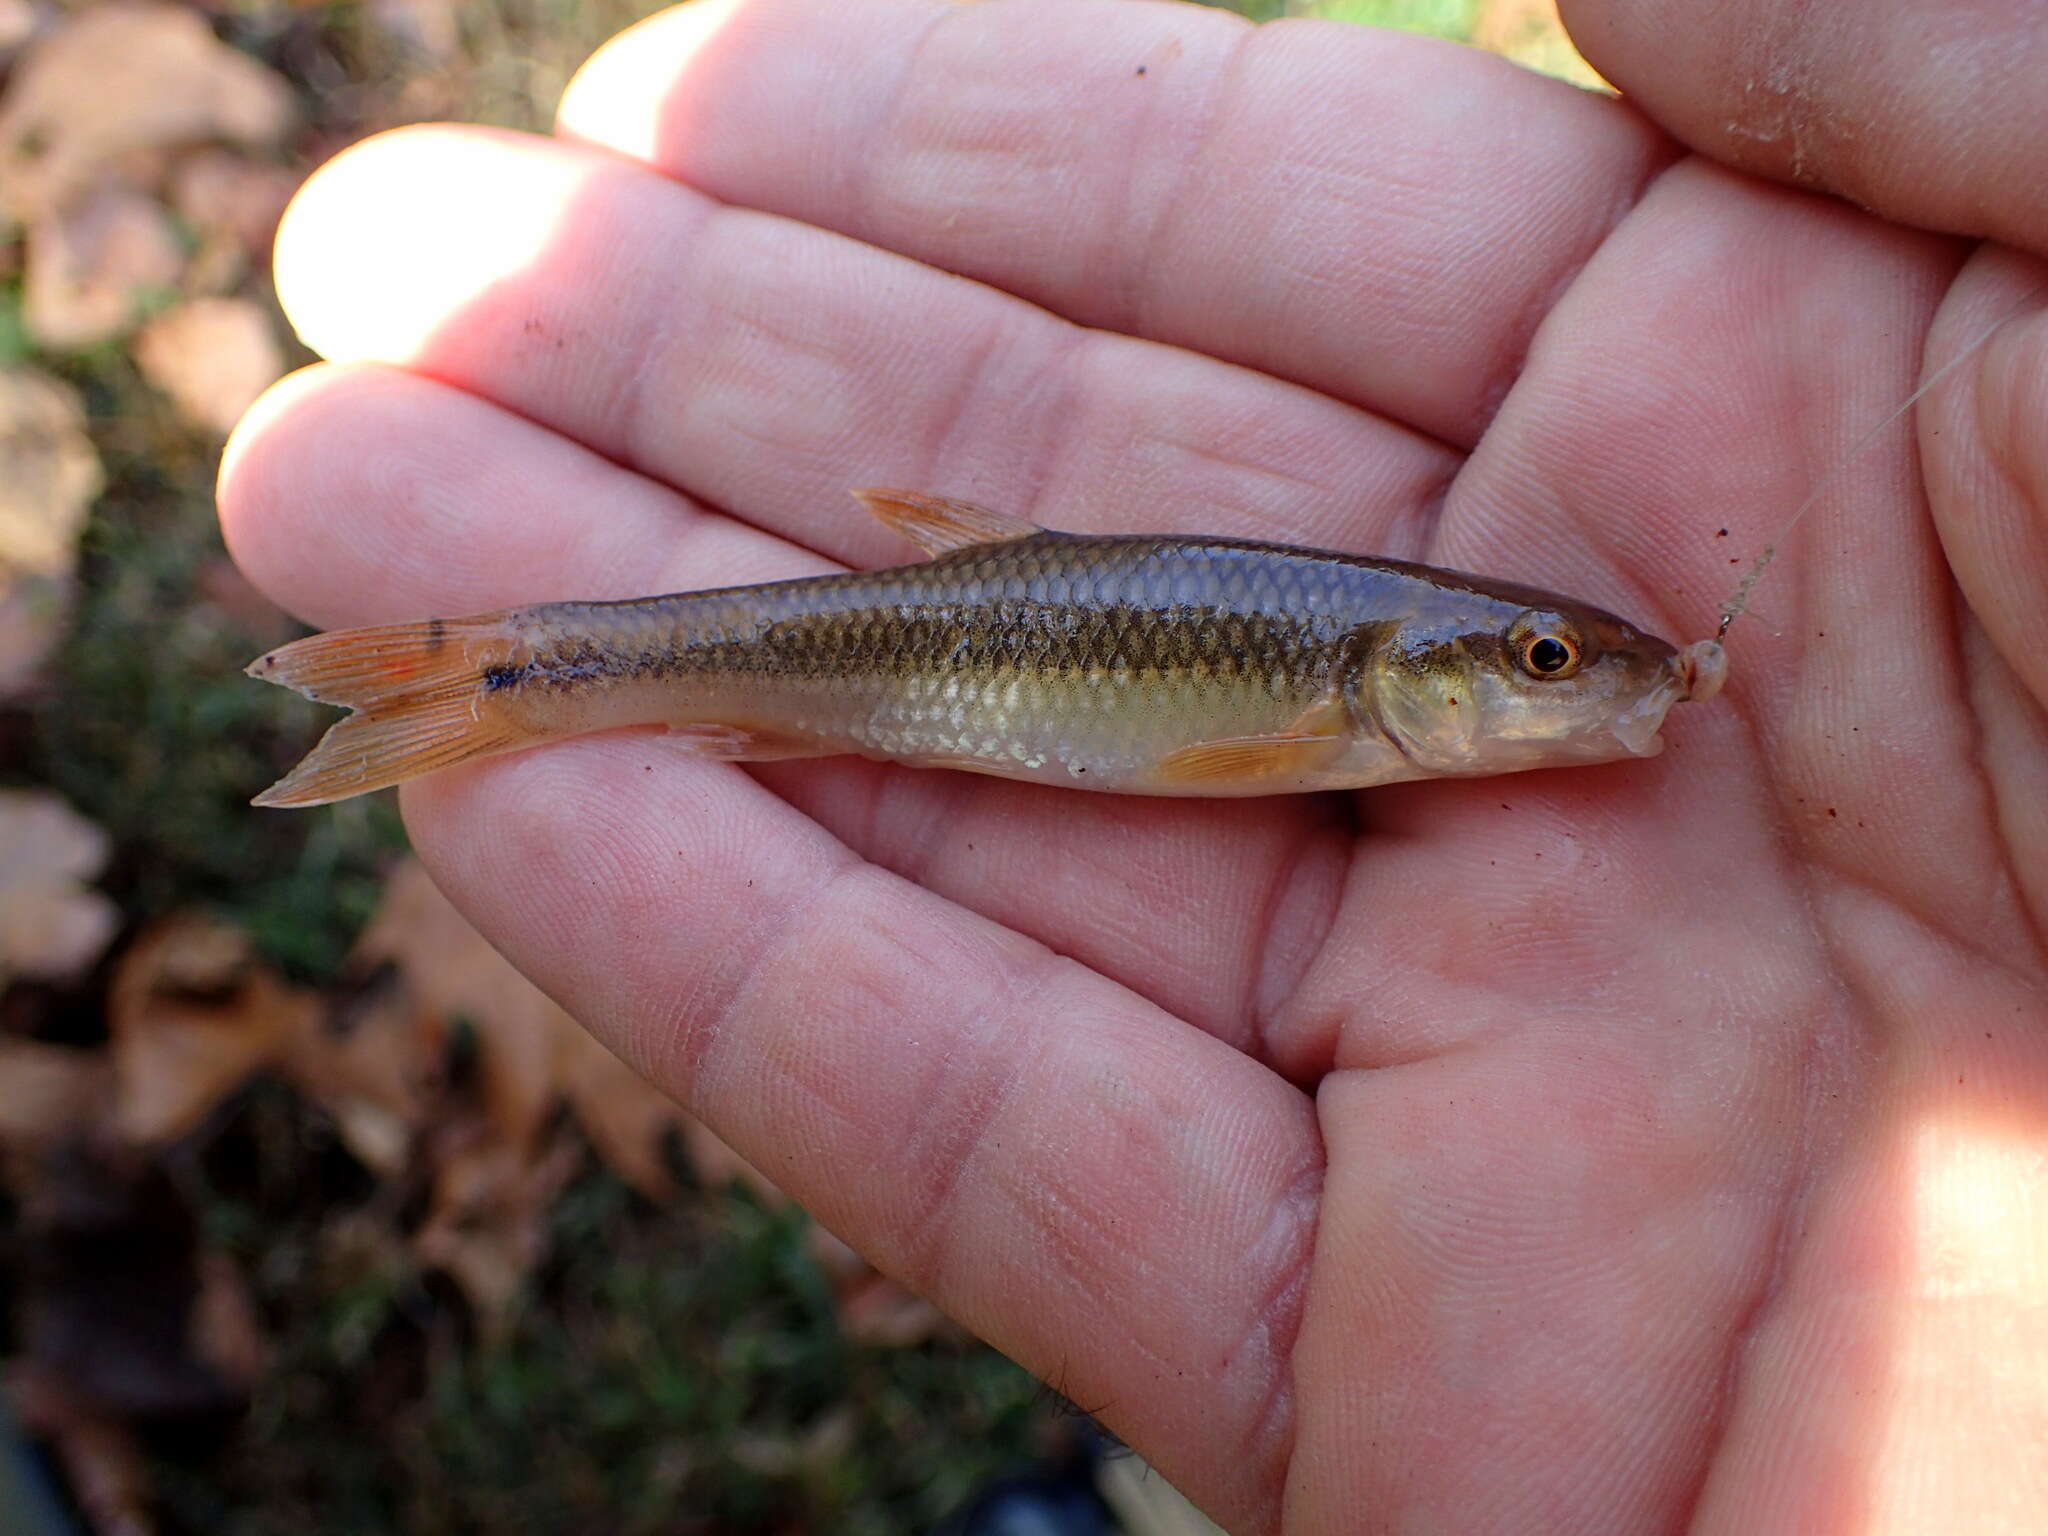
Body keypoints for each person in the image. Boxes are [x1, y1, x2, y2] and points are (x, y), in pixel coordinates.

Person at [217, 1, 2048, 1529]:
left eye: (1553, 662)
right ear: (1423, 674)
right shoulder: (1329, 689)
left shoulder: (1366, 681)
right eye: (1550, 665)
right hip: (910, 661)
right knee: (660, 680)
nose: (1582, 687)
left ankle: (507, 673)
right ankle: (506, 674)